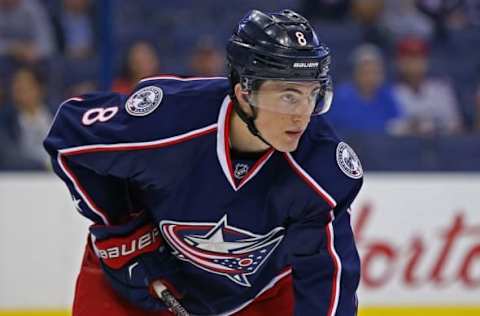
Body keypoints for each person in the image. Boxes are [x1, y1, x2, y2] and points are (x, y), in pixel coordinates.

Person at [44, 9, 363, 316]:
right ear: (244, 92)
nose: (302, 114)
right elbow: (69, 136)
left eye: (312, 95)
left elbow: (327, 279)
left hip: (254, 296)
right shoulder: (170, 120)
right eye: (288, 96)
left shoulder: (319, 169)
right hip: (133, 286)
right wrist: (120, 226)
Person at [325, 44, 402, 134]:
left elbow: (397, 125)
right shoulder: (341, 97)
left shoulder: (388, 96)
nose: (370, 78)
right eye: (366, 72)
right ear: (355, 73)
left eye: (375, 72)